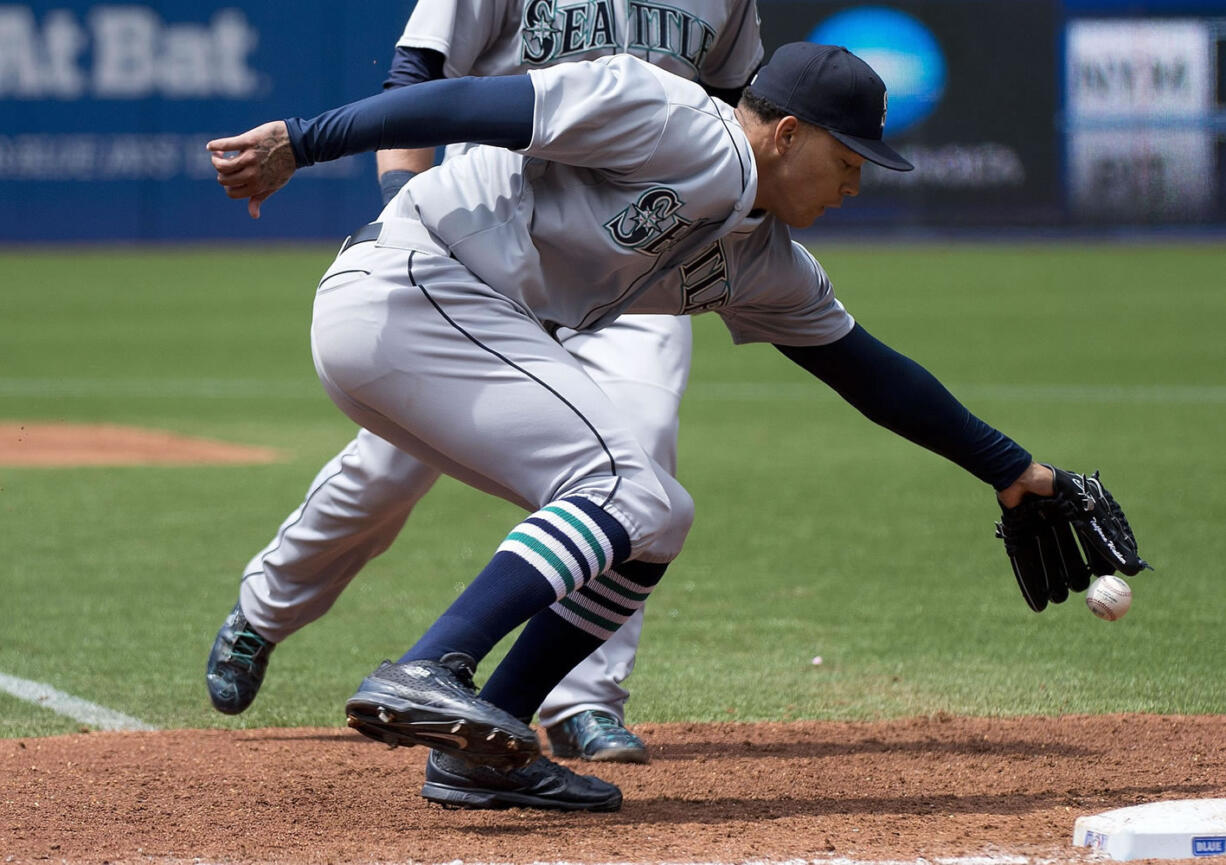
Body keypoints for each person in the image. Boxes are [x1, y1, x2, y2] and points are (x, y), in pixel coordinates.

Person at [207, 43, 1060, 812]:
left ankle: (485, 751)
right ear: (789, 134)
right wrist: (303, 139)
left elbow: (869, 371)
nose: (855, 185)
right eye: (848, 159)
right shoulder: (666, 114)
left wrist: (1013, 470)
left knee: (659, 516)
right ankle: (430, 665)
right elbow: (463, 105)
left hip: (434, 329)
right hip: (407, 284)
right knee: (621, 485)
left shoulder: (762, 258)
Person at [204, 0, 765, 766]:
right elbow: (421, 77)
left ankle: (583, 699)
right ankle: (264, 610)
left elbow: (745, 107)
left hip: (639, 247)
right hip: (488, 232)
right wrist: (404, 208)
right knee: (388, 469)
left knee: (637, 462)